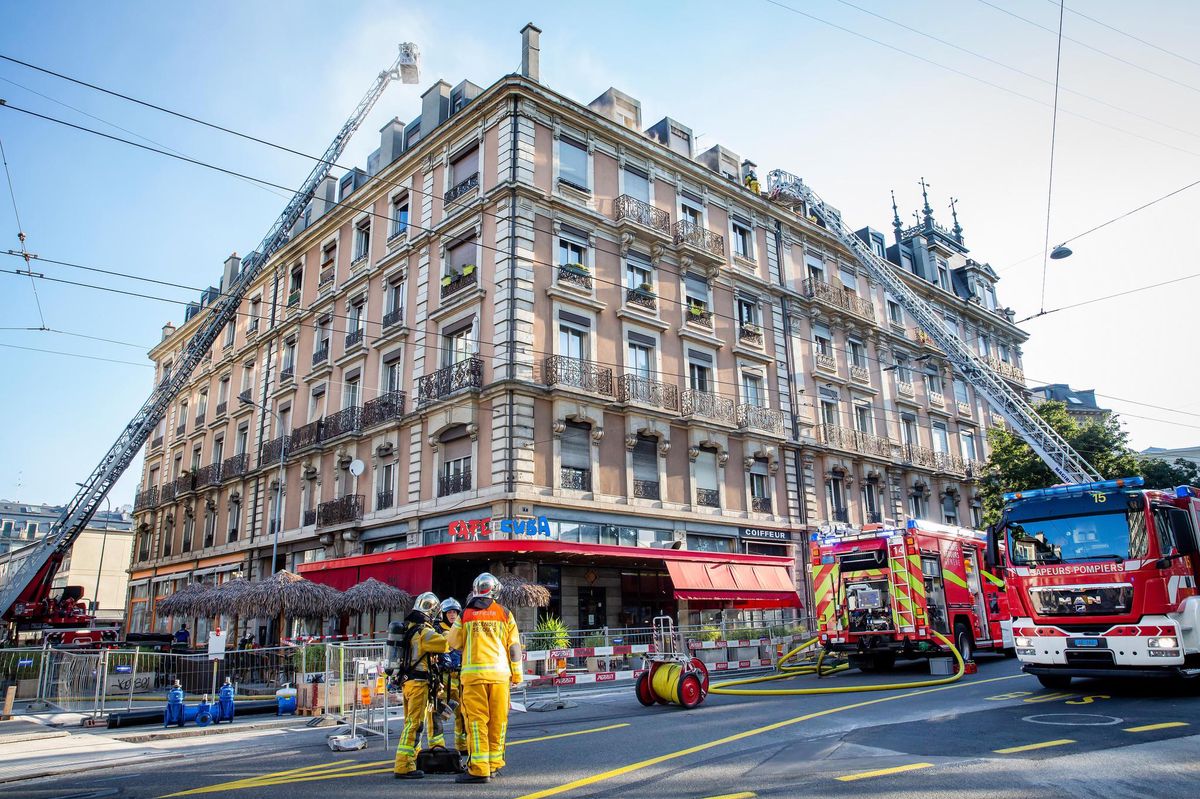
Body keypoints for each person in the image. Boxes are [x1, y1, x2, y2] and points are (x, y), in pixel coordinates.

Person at [447, 573, 522, 784]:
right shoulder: (505, 613)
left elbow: (453, 641)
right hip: (500, 677)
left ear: (476, 590)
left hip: (473, 677)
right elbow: (514, 648)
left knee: (477, 722)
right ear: (495, 591)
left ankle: (479, 769)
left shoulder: (466, 614)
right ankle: (495, 764)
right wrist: (516, 674)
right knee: (498, 721)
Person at [389, 592, 448, 779]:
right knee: (415, 724)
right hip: (419, 683)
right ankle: (404, 766)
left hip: (407, 682)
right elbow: (446, 644)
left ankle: (411, 760)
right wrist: (453, 630)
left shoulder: (408, 628)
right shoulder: (425, 632)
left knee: (410, 723)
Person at [426, 598, 467, 754]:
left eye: (455, 612)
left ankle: (462, 745)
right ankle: (437, 746)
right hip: (444, 679)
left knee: (462, 713)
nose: (452, 615)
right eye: (449, 612)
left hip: (461, 677)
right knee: (438, 713)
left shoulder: (462, 629)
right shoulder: (436, 631)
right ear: (443, 614)